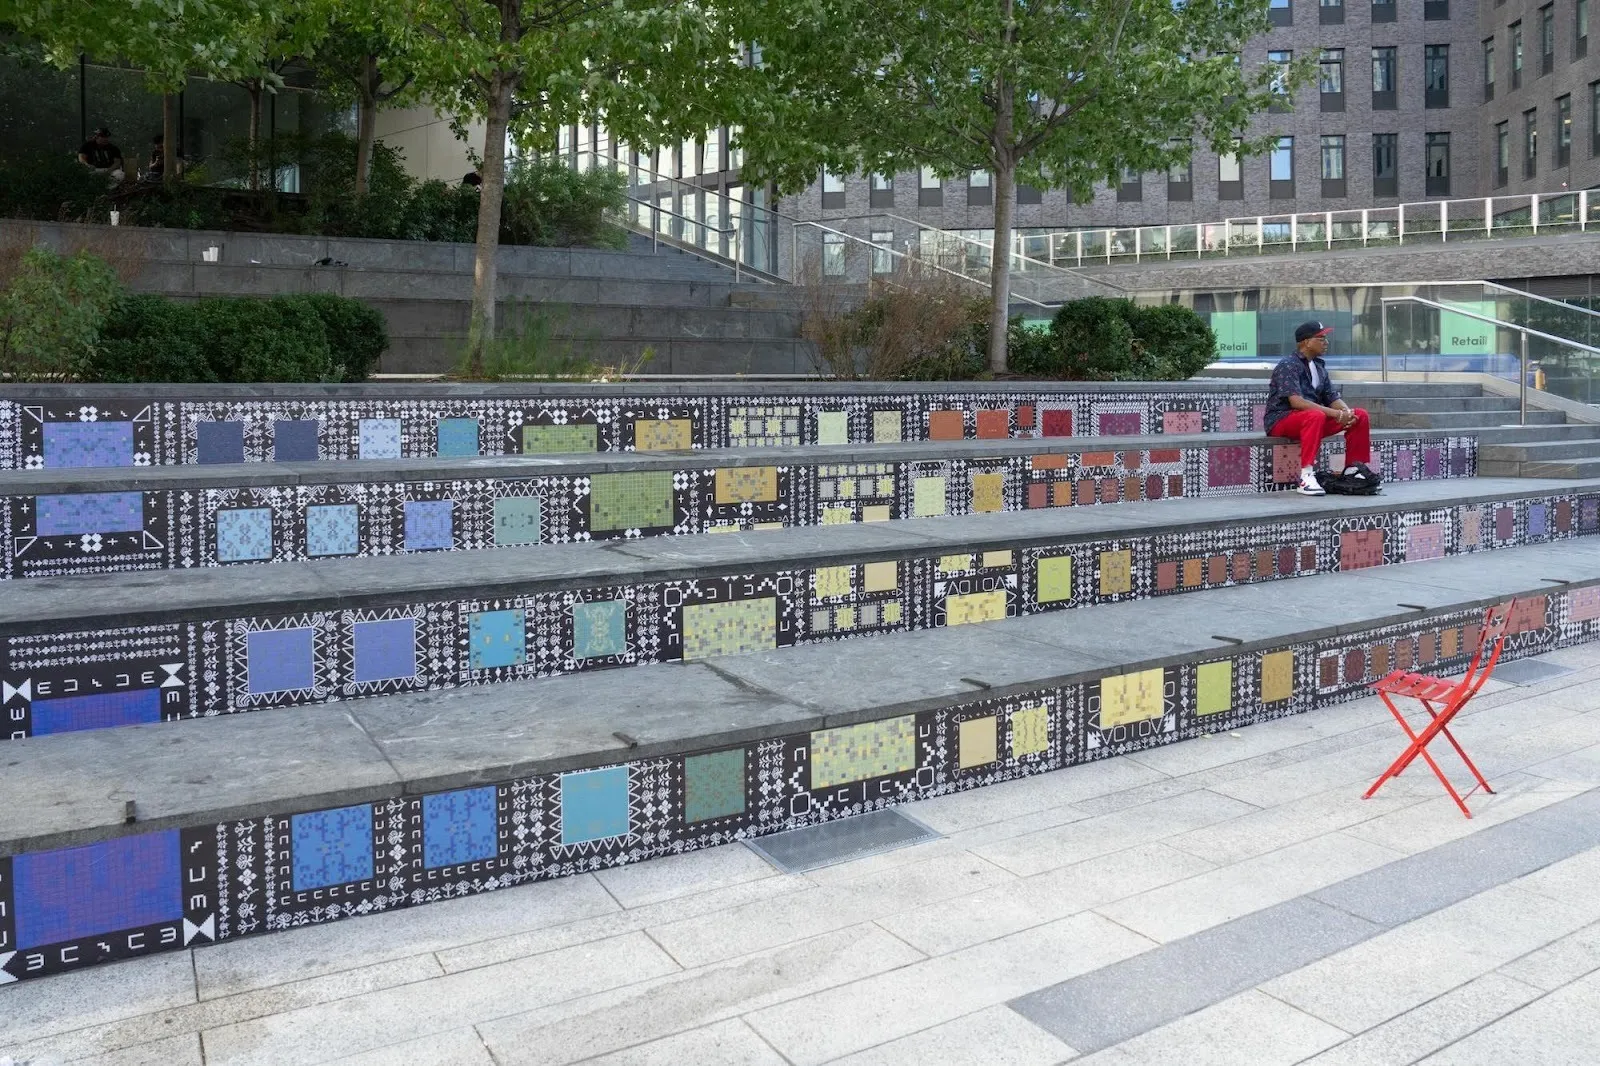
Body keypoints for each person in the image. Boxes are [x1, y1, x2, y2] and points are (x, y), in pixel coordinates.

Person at [1265, 320, 1372, 496]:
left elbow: (1332, 397)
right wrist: (1337, 414)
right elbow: (1297, 402)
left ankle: (1353, 470)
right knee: (1315, 415)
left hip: (1311, 421)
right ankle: (1306, 477)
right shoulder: (1288, 365)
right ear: (1306, 342)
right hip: (1281, 420)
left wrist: (1346, 413)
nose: (1326, 342)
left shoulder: (1320, 367)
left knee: (1360, 415)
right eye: (1321, 338)